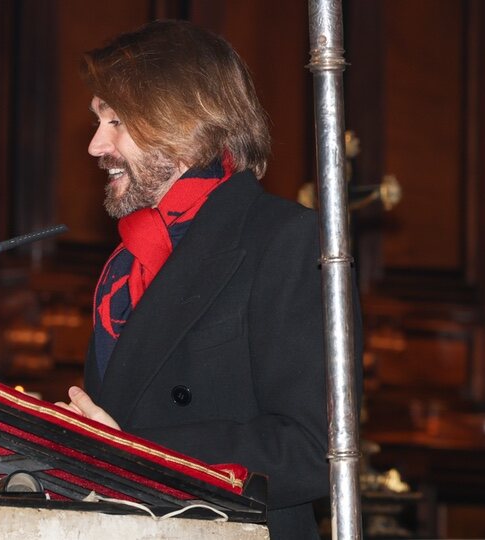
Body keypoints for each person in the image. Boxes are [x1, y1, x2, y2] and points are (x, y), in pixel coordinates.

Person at [54, 20, 362, 539]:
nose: (95, 146)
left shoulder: (287, 240)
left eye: (116, 121)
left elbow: (314, 450)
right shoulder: (125, 269)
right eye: (97, 121)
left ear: (181, 121)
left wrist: (134, 456)